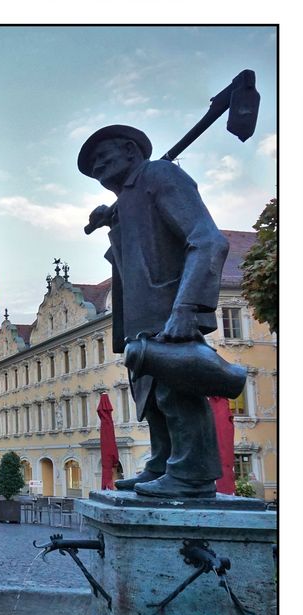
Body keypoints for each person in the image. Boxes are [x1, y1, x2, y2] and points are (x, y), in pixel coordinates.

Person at [79, 125, 229, 499]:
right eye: (93, 165)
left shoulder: (160, 175)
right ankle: (164, 462)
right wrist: (114, 222)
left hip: (170, 307)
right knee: (150, 394)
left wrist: (188, 306)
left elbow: (207, 239)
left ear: (131, 150)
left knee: (177, 391)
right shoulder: (130, 197)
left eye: (103, 157)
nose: (97, 167)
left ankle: (192, 472)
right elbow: (139, 255)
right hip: (143, 317)